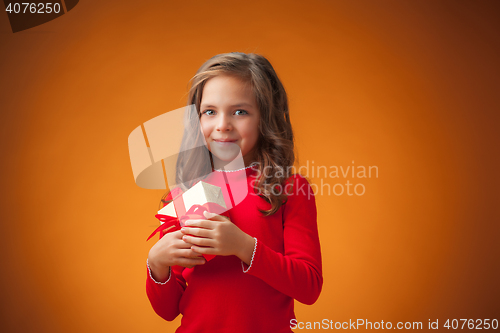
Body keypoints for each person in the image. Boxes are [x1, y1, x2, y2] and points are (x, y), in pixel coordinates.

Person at [146, 52, 322, 333]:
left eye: (240, 111)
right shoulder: (183, 192)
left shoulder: (291, 189)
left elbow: (309, 286)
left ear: (265, 118)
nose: (222, 125)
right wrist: (157, 264)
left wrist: (243, 247)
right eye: (210, 111)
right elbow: (167, 311)